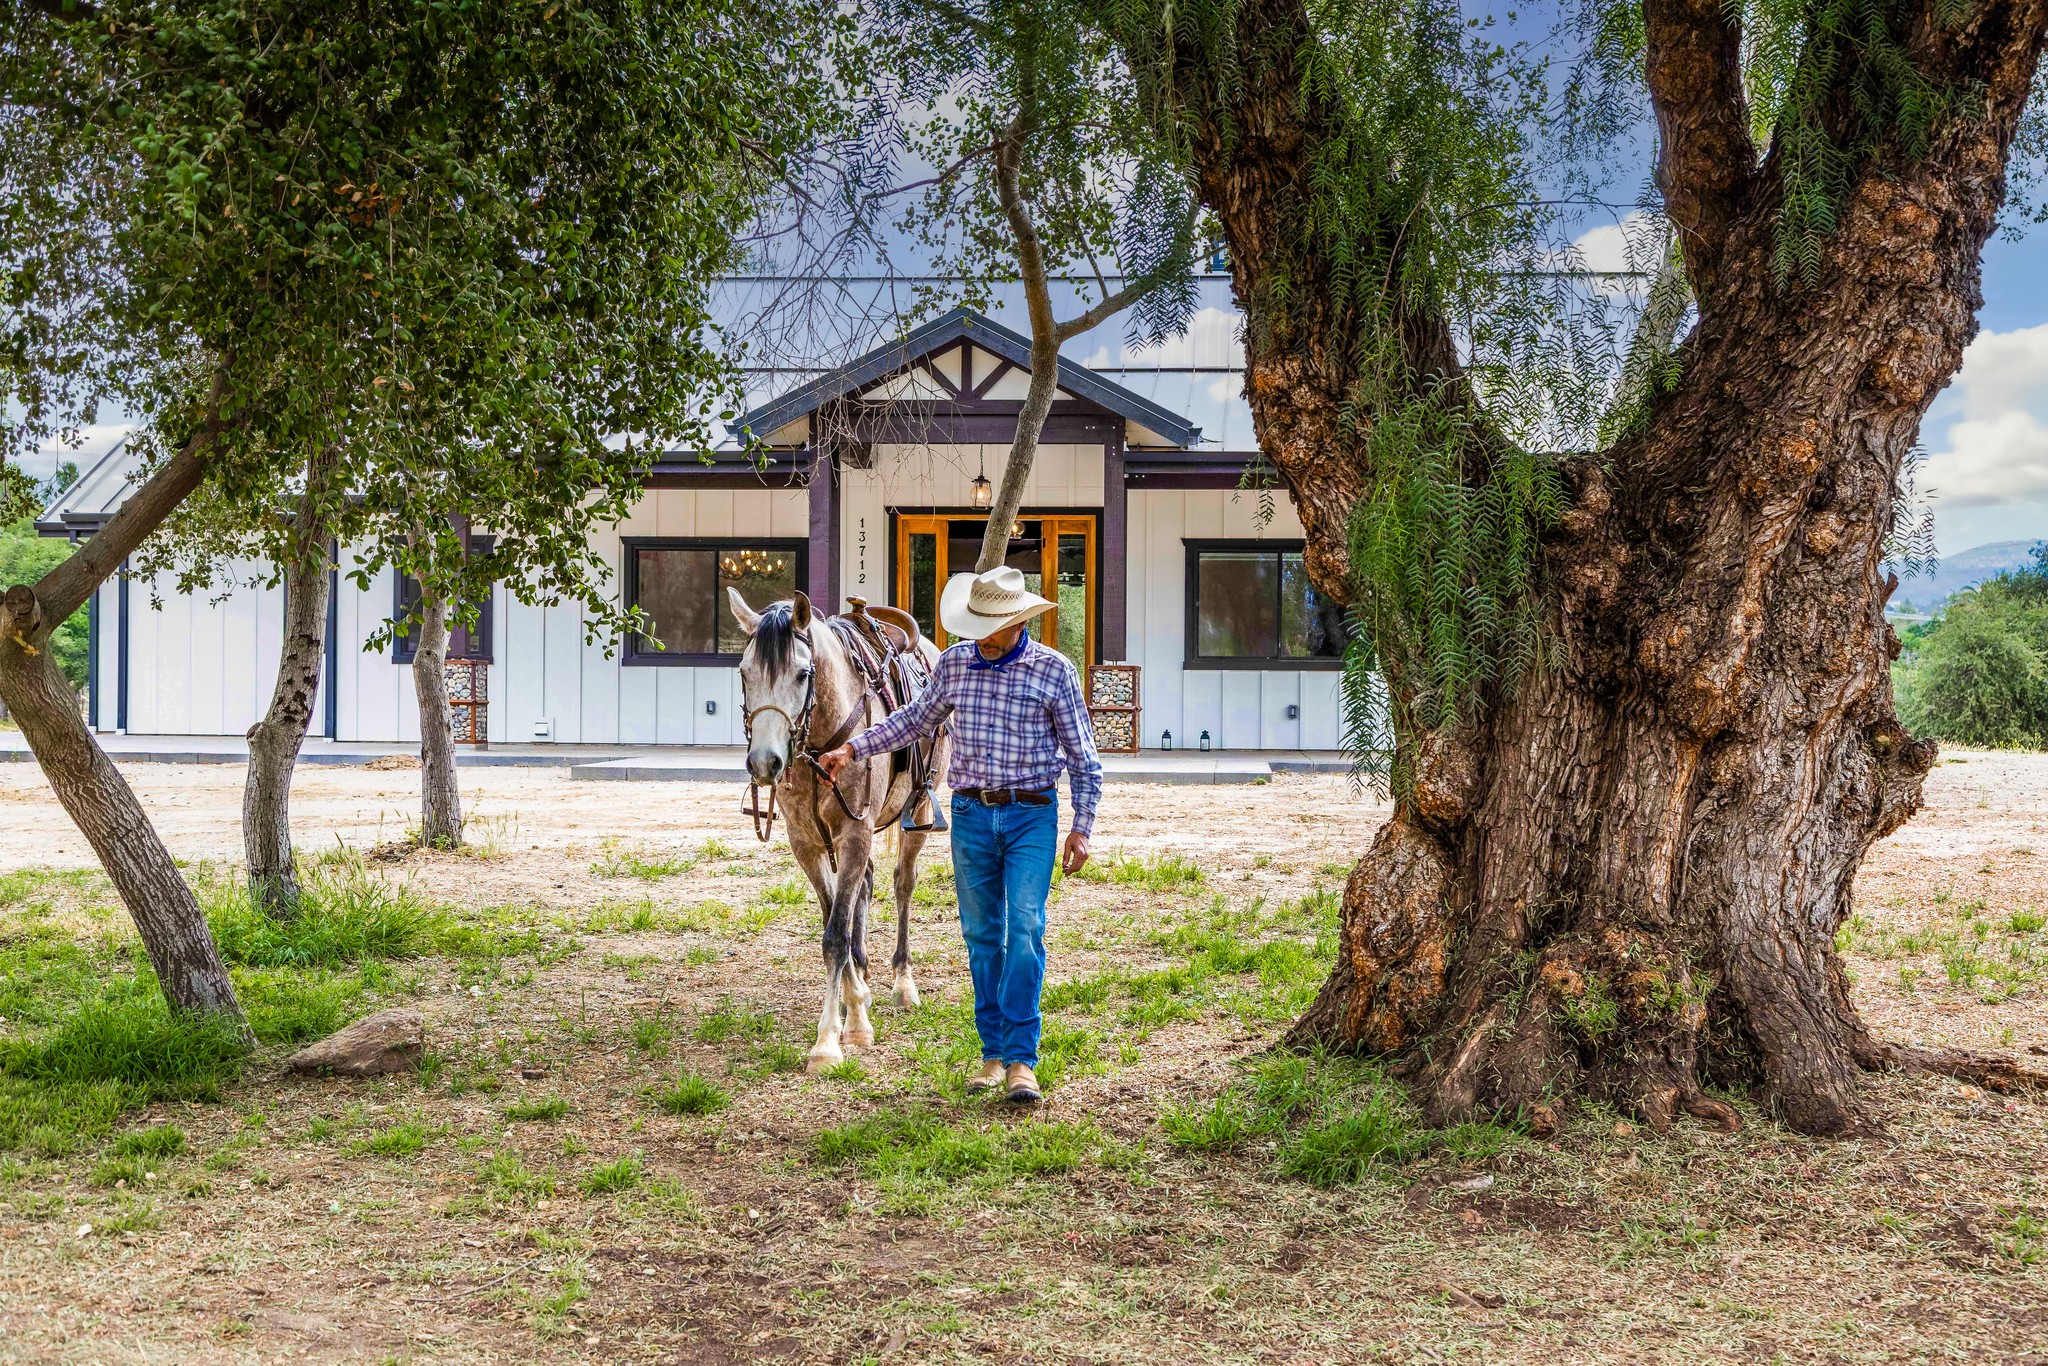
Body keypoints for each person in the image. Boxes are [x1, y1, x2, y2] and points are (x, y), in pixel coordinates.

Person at [818, 564, 1100, 1105]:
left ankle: (1022, 1060)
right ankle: (992, 1053)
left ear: (1016, 623)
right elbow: (912, 721)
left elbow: (1084, 760)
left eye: (988, 626)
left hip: (1031, 816)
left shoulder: (1053, 671)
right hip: (971, 815)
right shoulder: (955, 664)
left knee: (1025, 930)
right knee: (981, 937)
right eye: (974, 625)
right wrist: (852, 748)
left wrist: (1081, 827)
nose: (978, 636)